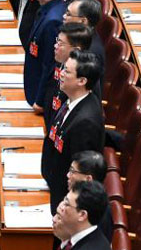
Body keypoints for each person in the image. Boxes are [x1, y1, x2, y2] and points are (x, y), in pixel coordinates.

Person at [42, 50, 104, 212]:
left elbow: (80, 174)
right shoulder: (73, 101)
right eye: (63, 69)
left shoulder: (86, 123)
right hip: (56, 186)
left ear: (82, 81)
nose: (61, 74)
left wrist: (67, 207)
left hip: (67, 203)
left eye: (67, 72)